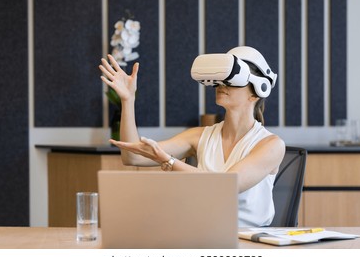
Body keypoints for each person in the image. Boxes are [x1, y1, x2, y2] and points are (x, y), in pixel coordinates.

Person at [99, 46, 285, 227]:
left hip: (250, 242)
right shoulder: (200, 135)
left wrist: (169, 161)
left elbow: (225, 187)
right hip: (203, 234)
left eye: (231, 80)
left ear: (257, 91)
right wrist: (128, 100)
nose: (221, 85)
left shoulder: (271, 145)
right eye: (220, 80)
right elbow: (132, 156)